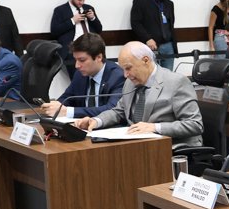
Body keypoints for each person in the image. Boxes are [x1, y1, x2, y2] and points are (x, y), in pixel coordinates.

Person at [74, 41, 202, 146]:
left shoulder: (177, 82)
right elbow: (119, 111)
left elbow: (195, 124)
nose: (125, 75)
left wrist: (155, 127)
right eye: (123, 69)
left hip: (171, 148)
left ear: (145, 60)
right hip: (138, 146)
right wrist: (96, 121)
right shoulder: (130, 82)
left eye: (128, 68)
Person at [39, 33, 124, 119]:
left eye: (82, 60)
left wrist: (69, 111)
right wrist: (56, 106)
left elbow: (112, 109)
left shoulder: (117, 77)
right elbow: (67, 98)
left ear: (99, 57)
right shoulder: (80, 74)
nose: (77, 65)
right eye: (75, 60)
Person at [50, 0, 103, 76]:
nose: (81, 2)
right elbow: (54, 31)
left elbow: (99, 29)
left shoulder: (88, 8)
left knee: (100, 73)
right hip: (72, 50)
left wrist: (93, 18)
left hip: (92, 47)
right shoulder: (60, 10)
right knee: (79, 79)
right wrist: (72, 21)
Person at [130, 0, 176, 70]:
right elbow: (135, 23)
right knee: (151, 77)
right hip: (150, 47)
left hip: (168, 46)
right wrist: (147, 39)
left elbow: (171, 23)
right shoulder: (140, 2)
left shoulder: (169, 4)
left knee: (168, 77)